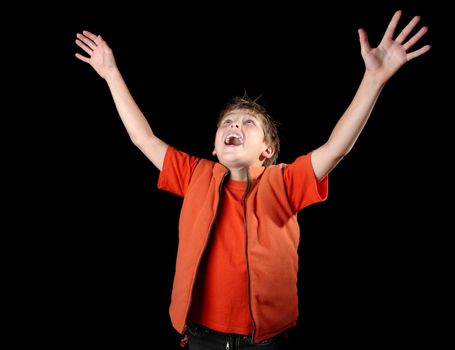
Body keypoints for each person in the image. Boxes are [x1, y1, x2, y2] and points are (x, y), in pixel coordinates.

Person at [75, 10, 430, 350]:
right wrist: (110, 73)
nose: (234, 126)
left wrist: (373, 80)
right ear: (215, 147)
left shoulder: (283, 182)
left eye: (248, 123)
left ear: (267, 151)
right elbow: (144, 139)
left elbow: (337, 148)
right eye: (228, 123)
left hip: (264, 341)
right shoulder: (195, 174)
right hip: (201, 337)